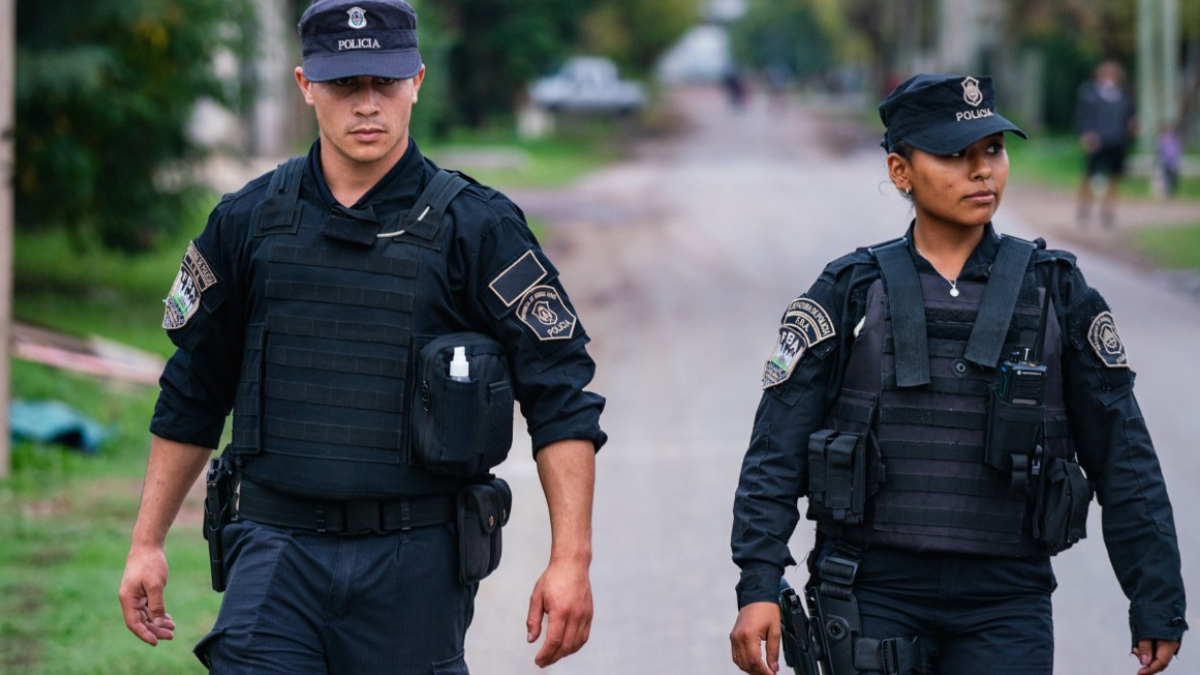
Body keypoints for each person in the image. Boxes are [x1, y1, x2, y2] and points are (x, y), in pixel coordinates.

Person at [117, 1, 607, 672]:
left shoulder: (477, 227)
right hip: (274, 550)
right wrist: (146, 541)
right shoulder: (248, 221)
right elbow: (193, 388)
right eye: (347, 84)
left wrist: (569, 559)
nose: (367, 104)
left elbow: (561, 394)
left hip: (414, 565)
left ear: (418, 82)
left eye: (385, 82)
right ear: (306, 85)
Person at [729, 73, 1186, 675]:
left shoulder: (1056, 291)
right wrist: (759, 582)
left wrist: (1156, 597)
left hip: (1007, 601)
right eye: (954, 154)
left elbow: (1123, 455)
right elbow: (776, 447)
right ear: (900, 171)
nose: (982, 171)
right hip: (870, 592)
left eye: (992, 150)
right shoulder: (849, 291)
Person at [1074, 60, 1137, 227]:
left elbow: (1130, 117)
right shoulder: (1090, 93)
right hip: (1097, 141)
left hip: (1117, 141)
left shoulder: (1124, 95)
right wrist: (1085, 134)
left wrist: (1132, 126)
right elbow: (1082, 116)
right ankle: (1084, 208)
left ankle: (1108, 211)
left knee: (1114, 177)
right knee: (1089, 175)